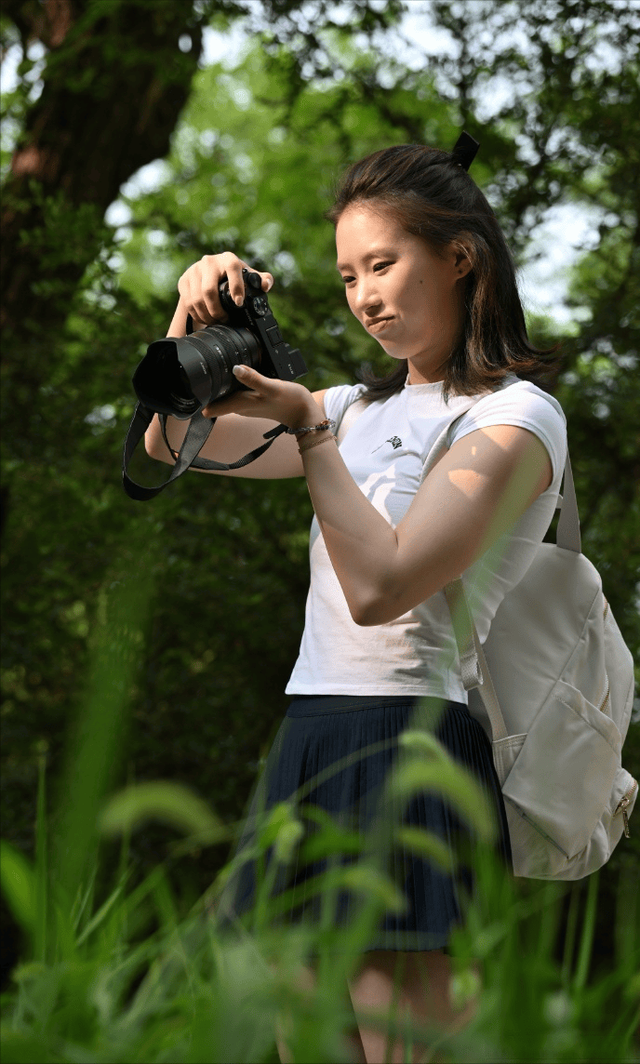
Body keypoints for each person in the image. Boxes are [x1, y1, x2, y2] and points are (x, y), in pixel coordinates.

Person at [145, 142, 567, 1064]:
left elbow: (383, 586)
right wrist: (191, 316)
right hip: (312, 727)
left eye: (384, 263)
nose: (365, 295)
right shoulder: (351, 409)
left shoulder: (514, 416)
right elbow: (169, 437)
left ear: (460, 256)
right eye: (347, 276)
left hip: (412, 736)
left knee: (404, 1045)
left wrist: (311, 431)